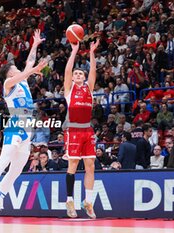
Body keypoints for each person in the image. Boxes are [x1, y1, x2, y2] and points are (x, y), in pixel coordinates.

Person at [0, 29, 47, 223]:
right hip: (16, 123)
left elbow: (30, 63)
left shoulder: (22, 79)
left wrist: (34, 45)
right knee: (5, 158)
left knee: (17, 169)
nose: (19, 69)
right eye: (16, 68)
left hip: (28, 128)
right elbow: (29, 69)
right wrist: (33, 70)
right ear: (11, 72)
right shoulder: (9, 82)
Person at [63, 39, 100, 219]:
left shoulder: (89, 88)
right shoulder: (69, 90)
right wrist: (74, 50)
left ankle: (88, 202)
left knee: (90, 166)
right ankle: (70, 200)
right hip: (73, 131)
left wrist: (92, 52)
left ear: (84, 77)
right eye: (75, 73)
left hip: (87, 130)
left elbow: (93, 71)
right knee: (73, 165)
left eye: (80, 73)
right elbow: (67, 70)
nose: (77, 75)